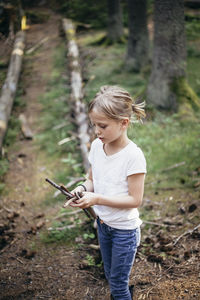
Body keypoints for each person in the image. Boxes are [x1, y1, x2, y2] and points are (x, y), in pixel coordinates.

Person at [64, 85, 146, 300]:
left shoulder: (133, 156)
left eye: (102, 126)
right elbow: (91, 179)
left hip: (124, 232)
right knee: (110, 276)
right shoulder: (97, 147)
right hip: (103, 225)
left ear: (123, 123)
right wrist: (81, 190)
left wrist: (97, 198)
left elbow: (135, 200)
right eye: (94, 125)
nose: (97, 131)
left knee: (118, 286)